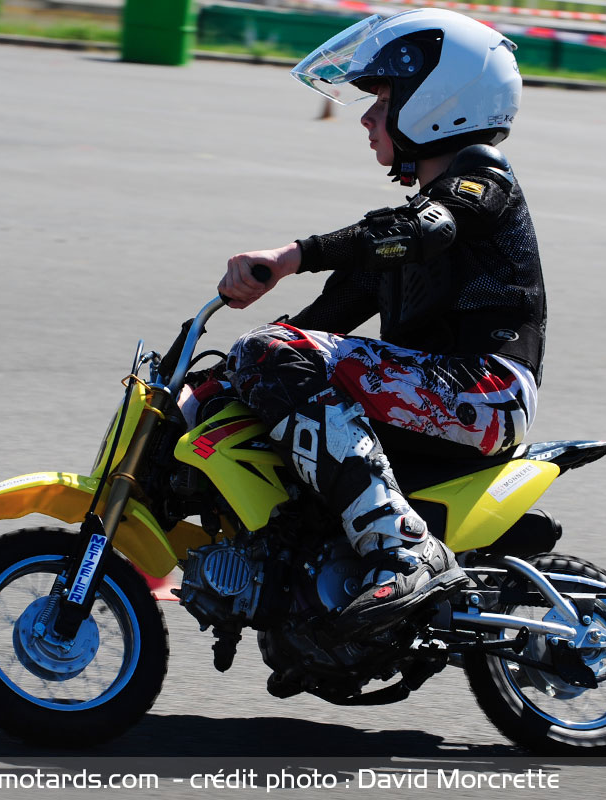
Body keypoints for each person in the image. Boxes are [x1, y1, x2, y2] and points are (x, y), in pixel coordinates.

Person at [215, 9, 546, 637]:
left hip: (483, 392)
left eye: (384, 97)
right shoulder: (410, 225)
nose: (367, 117)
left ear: (438, 102)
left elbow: (422, 232)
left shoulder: (480, 186)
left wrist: (293, 255)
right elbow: (317, 327)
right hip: (436, 391)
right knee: (263, 357)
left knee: (269, 352)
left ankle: (402, 552)